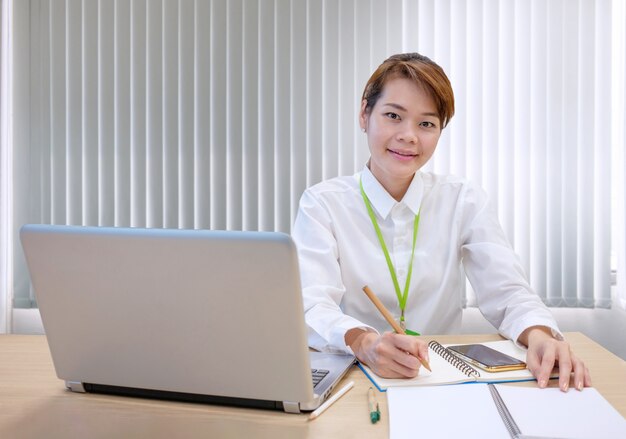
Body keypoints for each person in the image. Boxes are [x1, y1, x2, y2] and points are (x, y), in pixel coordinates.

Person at [292, 52, 591, 392]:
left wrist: (539, 334)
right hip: (356, 379)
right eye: (393, 115)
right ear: (364, 113)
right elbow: (311, 305)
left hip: (439, 379)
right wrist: (364, 342)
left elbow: (507, 290)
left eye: (426, 124)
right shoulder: (323, 203)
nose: (409, 136)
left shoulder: (462, 199)